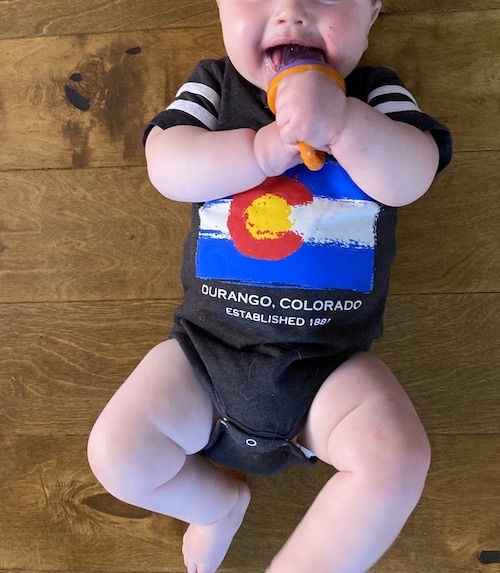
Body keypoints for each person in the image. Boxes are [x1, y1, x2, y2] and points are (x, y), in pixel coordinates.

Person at [87, 0, 452, 571]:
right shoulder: (216, 85)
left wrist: (343, 122)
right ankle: (213, 506)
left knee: (397, 457)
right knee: (117, 454)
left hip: (328, 370)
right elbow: (166, 163)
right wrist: (255, 151)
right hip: (205, 356)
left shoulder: (375, 94)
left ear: (373, 13)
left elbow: (412, 175)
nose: (291, 12)